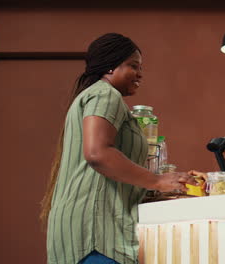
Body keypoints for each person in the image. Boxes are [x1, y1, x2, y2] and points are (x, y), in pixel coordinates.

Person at [40, 33, 198, 264]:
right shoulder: (105, 94)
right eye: (133, 66)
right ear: (110, 67)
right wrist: (156, 181)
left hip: (84, 231)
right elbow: (98, 153)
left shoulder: (93, 96)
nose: (140, 74)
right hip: (95, 233)